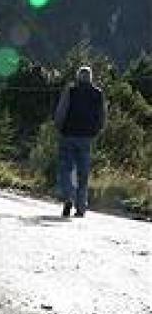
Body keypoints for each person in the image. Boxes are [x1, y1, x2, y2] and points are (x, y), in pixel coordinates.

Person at [54, 65, 106, 218]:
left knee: (66, 169)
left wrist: (58, 127)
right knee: (83, 174)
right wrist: (97, 131)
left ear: (78, 77)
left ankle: (68, 196)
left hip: (68, 135)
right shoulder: (98, 94)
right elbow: (102, 115)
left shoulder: (70, 91)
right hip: (86, 138)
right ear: (91, 78)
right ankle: (81, 207)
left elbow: (61, 111)